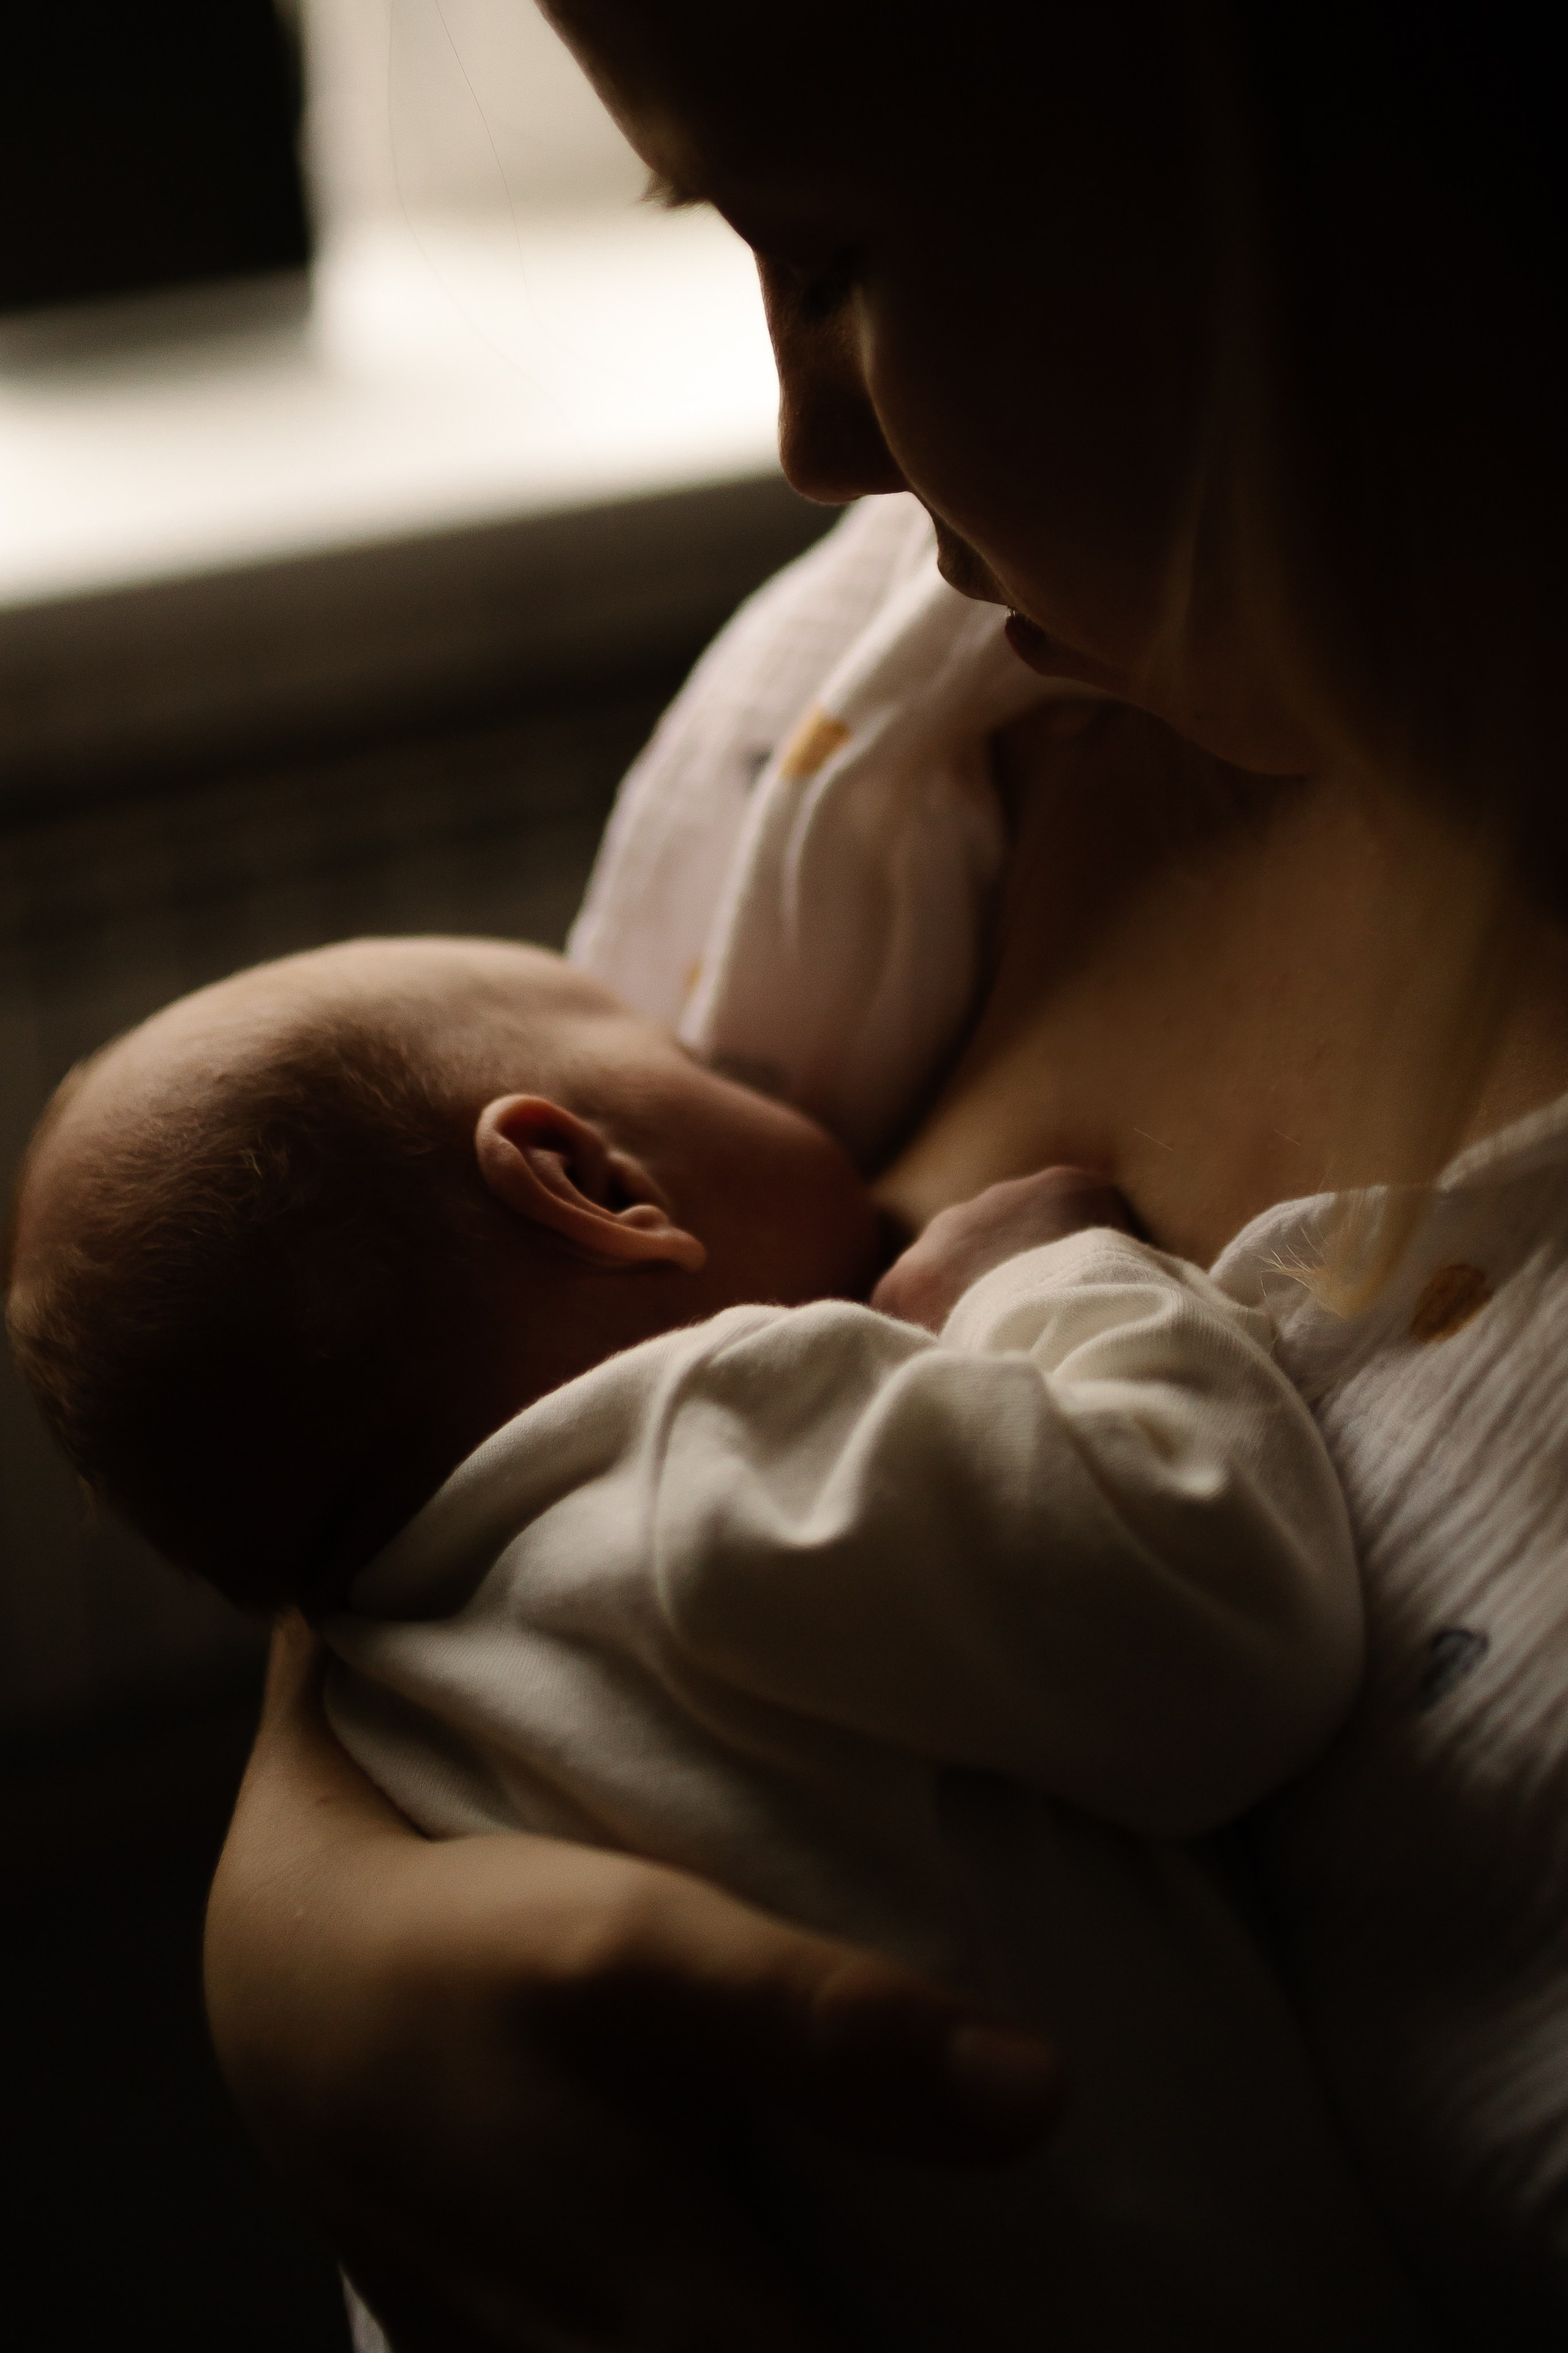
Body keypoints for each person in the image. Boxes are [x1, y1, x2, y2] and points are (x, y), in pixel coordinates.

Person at [195, 3, 1568, 2346]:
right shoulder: (890, 718)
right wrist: (294, 1926)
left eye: (828, 252)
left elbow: (1197, 1620)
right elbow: (447, 1399)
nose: (809, 442)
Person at [7, 934, 1410, 2347]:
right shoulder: (714, 1435)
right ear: (591, 1183)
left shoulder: (382, 1738)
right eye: (706, 1067)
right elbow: (1224, 1617)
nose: (761, 1074)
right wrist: (1046, 1284)